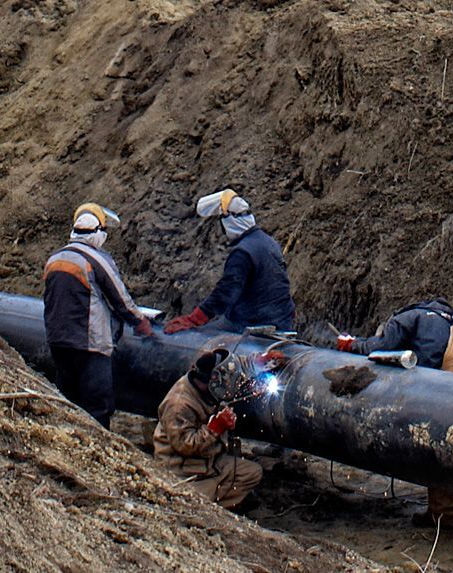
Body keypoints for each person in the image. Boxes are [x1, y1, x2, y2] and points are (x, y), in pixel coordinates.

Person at [338, 299, 453, 537]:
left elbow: (382, 346)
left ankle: (443, 515)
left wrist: (352, 344)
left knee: (438, 441)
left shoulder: (408, 317)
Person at [41, 202, 152, 427]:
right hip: (90, 343)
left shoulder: (54, 259)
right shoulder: (96, 259)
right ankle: (97, 449)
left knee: (69, 398)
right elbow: (120, 298)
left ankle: (67, 439)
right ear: (98, 233)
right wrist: (140, 322)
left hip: (58, 340)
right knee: (97, 404)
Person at [163, 189, 294, 334]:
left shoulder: (243, 253)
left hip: (251, 324)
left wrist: (195, 319)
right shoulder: (268, 242)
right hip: (282, 321)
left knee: (200, 335)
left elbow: (226, 292)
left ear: (228, 222)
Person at [152, 345, 264, 509]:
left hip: (208, 461)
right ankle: (206, 507)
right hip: (181, 470)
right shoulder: (178, 405)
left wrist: (258, 361)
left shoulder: (206, 382)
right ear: (212, 382)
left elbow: (233, 366)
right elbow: (185, 446)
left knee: (252, 473)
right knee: (187, 502)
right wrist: (215, 428)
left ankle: (215, 499)